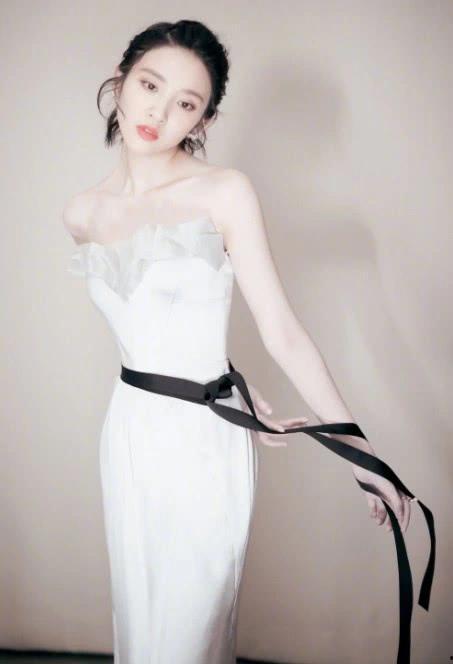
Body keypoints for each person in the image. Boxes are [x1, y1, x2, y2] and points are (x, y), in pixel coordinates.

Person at [63, 19, 425, 664]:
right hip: (129, 438)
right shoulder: (82, 213)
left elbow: (282, 330)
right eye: (150, 85)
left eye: (186, 103)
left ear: (203, 120)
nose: (159, 112)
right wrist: (229, 376)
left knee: (189, 639)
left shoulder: (223, 192)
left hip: (205, 444)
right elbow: (151, 332)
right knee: (141, 629)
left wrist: (360, 457)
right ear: (120, 81)